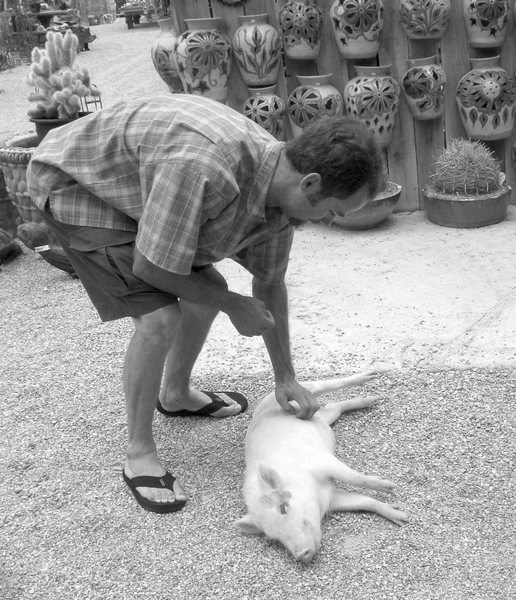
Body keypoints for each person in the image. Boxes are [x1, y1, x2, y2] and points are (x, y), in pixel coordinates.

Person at [27, 94, 383, 514]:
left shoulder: (283, 203)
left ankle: (175, 394)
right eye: (333, 211)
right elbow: (152, 267)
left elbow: (269, 286)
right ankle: (138, 453)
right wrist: (233, 303)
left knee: (205, 286)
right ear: (310, 184)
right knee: (160, 316)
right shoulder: (204, 167)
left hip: (138, 182)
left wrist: (285, 377)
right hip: (76, 184)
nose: (328, 221)